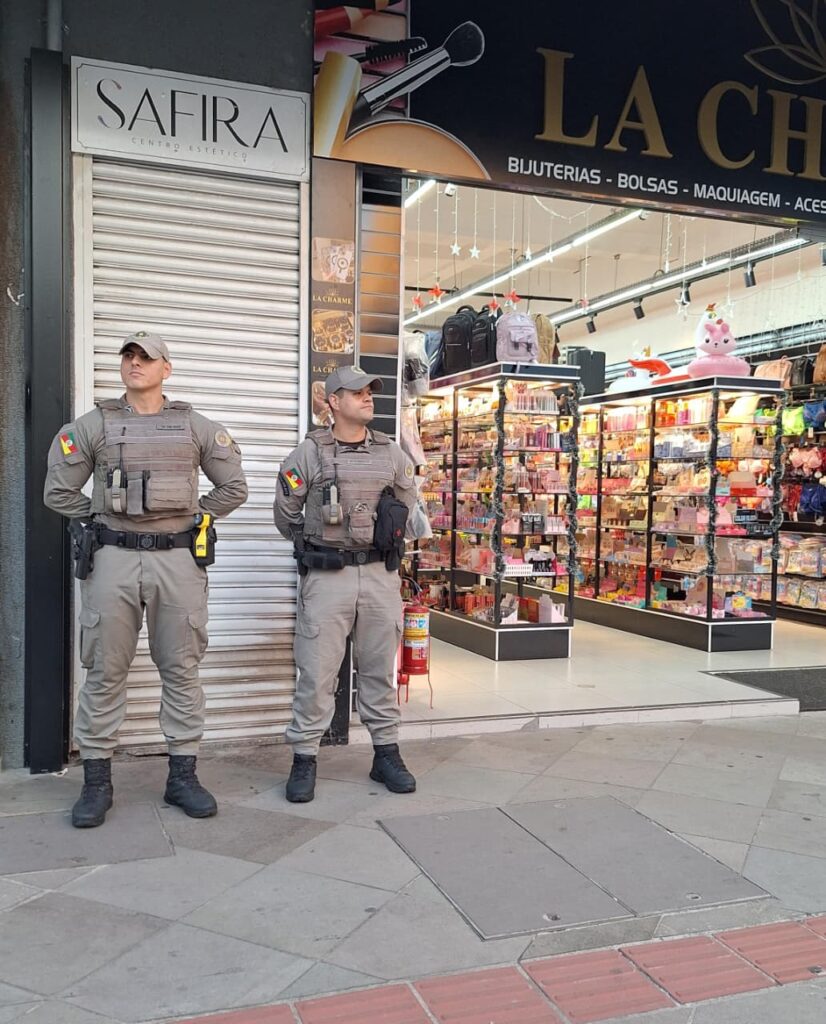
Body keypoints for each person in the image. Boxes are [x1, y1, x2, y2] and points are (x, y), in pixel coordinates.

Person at [44, 332, 248, 828]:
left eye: (146, 358)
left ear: (166, 369)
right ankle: (97, 783)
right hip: (112, 559)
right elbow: (58, 491)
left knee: (181, 668)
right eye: (129, 357)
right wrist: (102, 520)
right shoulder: (93, 425)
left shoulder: (195, 426)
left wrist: (193, 516)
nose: (135, 364)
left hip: (177, 560)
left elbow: (234, 487)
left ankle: (183, 777)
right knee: (104, 669)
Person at [274, 365, 417, 802]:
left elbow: (407, 501)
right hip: (328, 576)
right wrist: (316, 547)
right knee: (316, 672)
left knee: (378, 670)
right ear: (333, 402)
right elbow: (286, 513)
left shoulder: (391, 453)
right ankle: (304, 758)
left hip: (379, 575)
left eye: (370, 391)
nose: (368, 397)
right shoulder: (308, 454)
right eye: (356, 392)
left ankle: (386, 754)